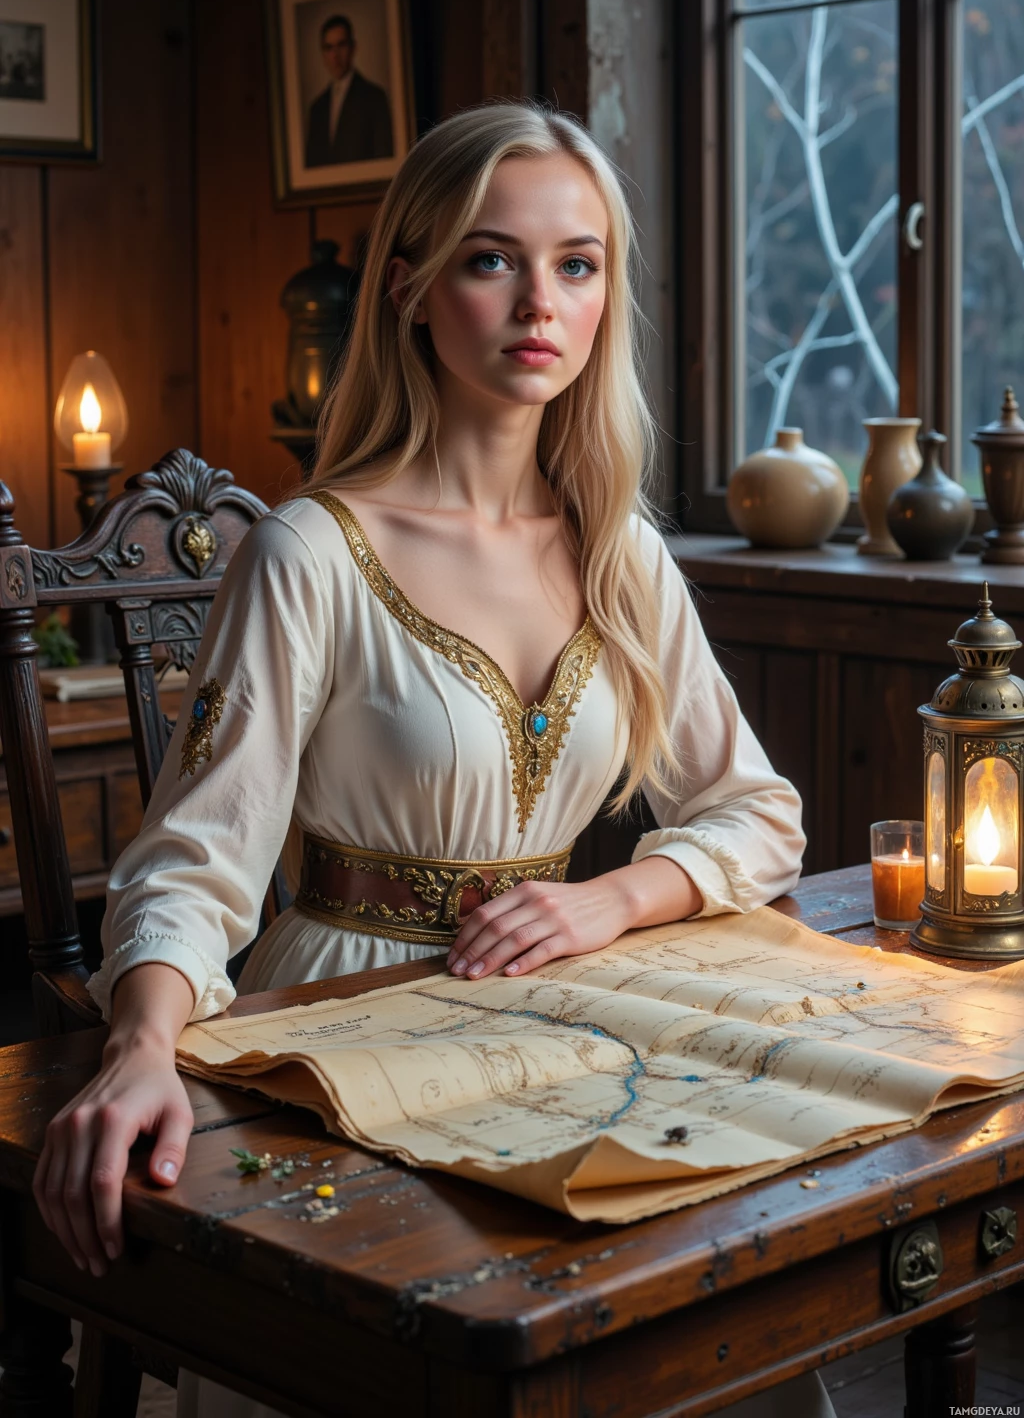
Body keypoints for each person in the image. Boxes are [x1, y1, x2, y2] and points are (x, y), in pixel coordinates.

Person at [32, 103, 834, 1418]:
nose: (541, 302)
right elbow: (194, 861)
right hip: (340, 1028)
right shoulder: (311, 551)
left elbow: (756, 812)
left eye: (578, 265)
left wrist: (610, 896)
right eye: (489, 258)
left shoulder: (619, 551)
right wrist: (139, 1047)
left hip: (566, 1012)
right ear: (408, 285)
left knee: (713, 1308)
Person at [304, 13, 393, 167]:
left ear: (353, 47)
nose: (335, 56)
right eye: (329, 48)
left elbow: (383, 156)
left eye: (341, 45)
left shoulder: (374, 97)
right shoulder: (317, 109)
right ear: (323, 54)